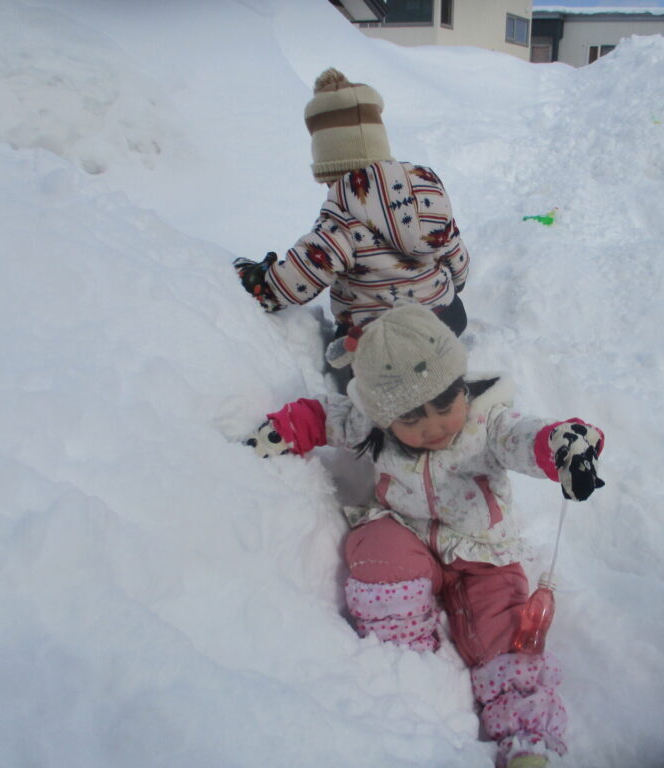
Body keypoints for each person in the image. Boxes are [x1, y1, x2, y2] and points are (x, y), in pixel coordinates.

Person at [243, 304, 605, 768]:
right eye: (411, 420)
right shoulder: (370, 421)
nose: (433, 426)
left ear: (461, 386)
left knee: (506, 632)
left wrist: (566, 449)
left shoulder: (487, 423)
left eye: (444, 406)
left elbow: (528, 437)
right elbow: (322, 416)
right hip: (407, 532)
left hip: (484, 552)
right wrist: (280, 430)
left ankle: (526, 737)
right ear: (383, 414)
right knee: (374, 546)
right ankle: (405, 651)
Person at [233, 67, 470, 340]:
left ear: (330, 169)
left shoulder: (342, 217)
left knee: (343, 353)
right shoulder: (426, 194)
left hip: (383, 341)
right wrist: (454, 285)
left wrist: (259, 284)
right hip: (447, 319)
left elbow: (299, 278)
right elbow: (457, 257)